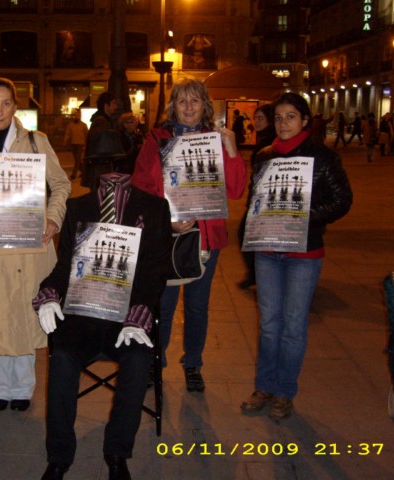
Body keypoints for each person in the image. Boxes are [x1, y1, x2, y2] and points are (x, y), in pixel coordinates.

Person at [32, 172, 172, 480]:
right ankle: (59, 455)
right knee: (63, 356)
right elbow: (66, 264)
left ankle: (117, 452)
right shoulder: (77, 207)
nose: (111, 175)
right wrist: (49, 294)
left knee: (137, 359)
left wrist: (139, 314)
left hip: (127, 315)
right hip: (84, 314)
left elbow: (156, 269)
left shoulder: (154, 207)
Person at [0, 77, 71, 412]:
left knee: (25, 311)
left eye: (6, 103)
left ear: (15, 106)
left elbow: (61, 184)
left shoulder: (36, 143)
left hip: (33, 241)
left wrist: (53, 217)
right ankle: (0, 387)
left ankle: (23, 388)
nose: (0, 110)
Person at [240, 93, 352, 420]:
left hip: (304, 252)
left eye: (291, 116)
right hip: (267, 252)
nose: (283, 123)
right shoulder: (263, 156)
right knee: (269, 325)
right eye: (278, 117)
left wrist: (302, 216)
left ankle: (284, 392)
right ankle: (264, 386)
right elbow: (254, 203)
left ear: (304, 120)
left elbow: (342, 200)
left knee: (293, 326)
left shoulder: (323, 157)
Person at [132, 77, 247, 393]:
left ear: (205, 105)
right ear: (173, 106)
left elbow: (236, 190)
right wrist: (167, 219)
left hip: (206, 238)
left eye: (195, 100)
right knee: (164, 305)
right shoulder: (156, 140)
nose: (189, 107)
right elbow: (141, 188)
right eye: (182, 101)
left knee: (197, 306)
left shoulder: (215, 140)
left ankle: (193, 364)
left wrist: (232, 151)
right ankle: (157, 361)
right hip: (167, 237)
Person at [237, 104, 275, 289]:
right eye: (255, 118)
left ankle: (257, 273)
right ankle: (255, 273)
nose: (256, 122)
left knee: (246, 233)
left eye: (260, 118)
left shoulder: (269, 142)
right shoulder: (264, 140)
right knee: (247, 234)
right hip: (258, 197)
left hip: (265, 198)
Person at [82, 91, 119, 188]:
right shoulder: (101, 121)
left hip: (99, 167)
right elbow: (102, 146)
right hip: (100, 168)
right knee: (100, 198)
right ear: (106, 105)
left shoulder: (101, 120)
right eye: (114, 103)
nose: (116, 106)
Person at [63, 108, 88, 179]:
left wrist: (86, 144)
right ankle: (84, 172)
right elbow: (68, 134)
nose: (77, 116)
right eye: (75, 115)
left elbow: (86, 135)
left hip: (80, 144)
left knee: (77, 159)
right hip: (73, 144)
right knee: (77, 159)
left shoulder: (83, 125)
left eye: (78, 115)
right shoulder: (70, 125)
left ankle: (74, 174)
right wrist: (65, 141)